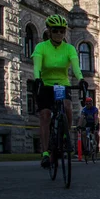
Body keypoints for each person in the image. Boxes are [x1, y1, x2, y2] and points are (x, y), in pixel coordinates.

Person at [32, 14, 87, 169]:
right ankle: (45, 153)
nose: (59, 34)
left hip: (62, 84)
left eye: (62, 31)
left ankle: (64, 137)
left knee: (67, 107)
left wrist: (81, 78)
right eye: (55, 31)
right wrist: (37, 78)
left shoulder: (69, 48)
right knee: (45, 115)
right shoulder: (41, 47)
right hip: (45, 84)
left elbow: (75, 66)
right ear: (49, 31)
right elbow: (37, 66)